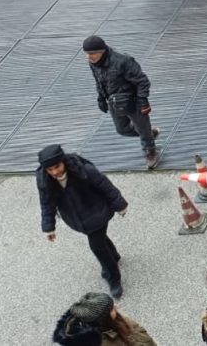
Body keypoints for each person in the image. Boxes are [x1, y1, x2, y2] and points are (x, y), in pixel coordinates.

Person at [37, 144, 129, 299]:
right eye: (50, 169)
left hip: (97, 212)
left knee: (97, 246)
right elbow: (46, 203)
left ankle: (114, 278)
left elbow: (105, 186)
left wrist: (120, 205)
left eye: (57, 167)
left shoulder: (84, 170)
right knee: (100, 239)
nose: (55, 172)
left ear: (63, 161)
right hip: (77, 220)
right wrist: (49, 227)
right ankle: (114, 255)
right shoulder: (44, 180)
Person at [84, 36, 161, 169]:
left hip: (134, 100)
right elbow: (99, 81)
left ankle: (150, 151)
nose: (89, 57)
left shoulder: (123, 61)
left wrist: (143, 100)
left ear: (102, 51)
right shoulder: (93, 63)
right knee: (122, 129)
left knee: (142, 127)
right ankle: (149, 134)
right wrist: (101, 98)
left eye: (92, 53)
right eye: (87, 54)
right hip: (114, 101)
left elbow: (142, 81)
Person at [53, 291, 157, 346]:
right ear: (103, 319)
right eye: (112, 309)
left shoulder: (113, 319)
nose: (117, 307)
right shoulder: (102, 343)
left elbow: (137, 329)